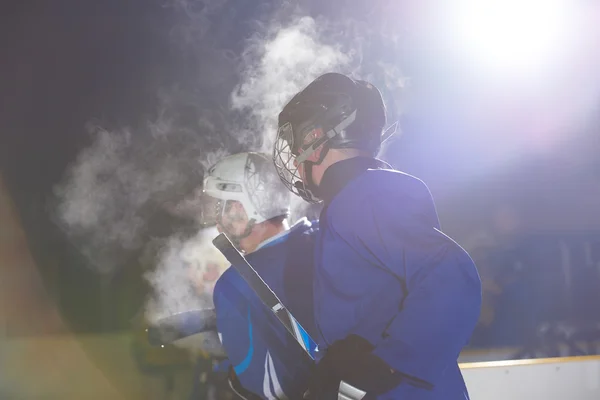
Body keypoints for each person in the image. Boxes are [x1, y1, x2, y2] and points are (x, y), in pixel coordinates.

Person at [272, 73, 482, 399]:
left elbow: (450, 272)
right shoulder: (355, 199)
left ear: (315, 140)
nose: (295, 163)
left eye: (297, 144)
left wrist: (385, 364)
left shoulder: (363, 197)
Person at [204, 152, 319, 399]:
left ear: (239, 208)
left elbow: (262, 388)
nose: (217, 220)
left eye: (220, 206)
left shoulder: (233, 285)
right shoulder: (326, 236)